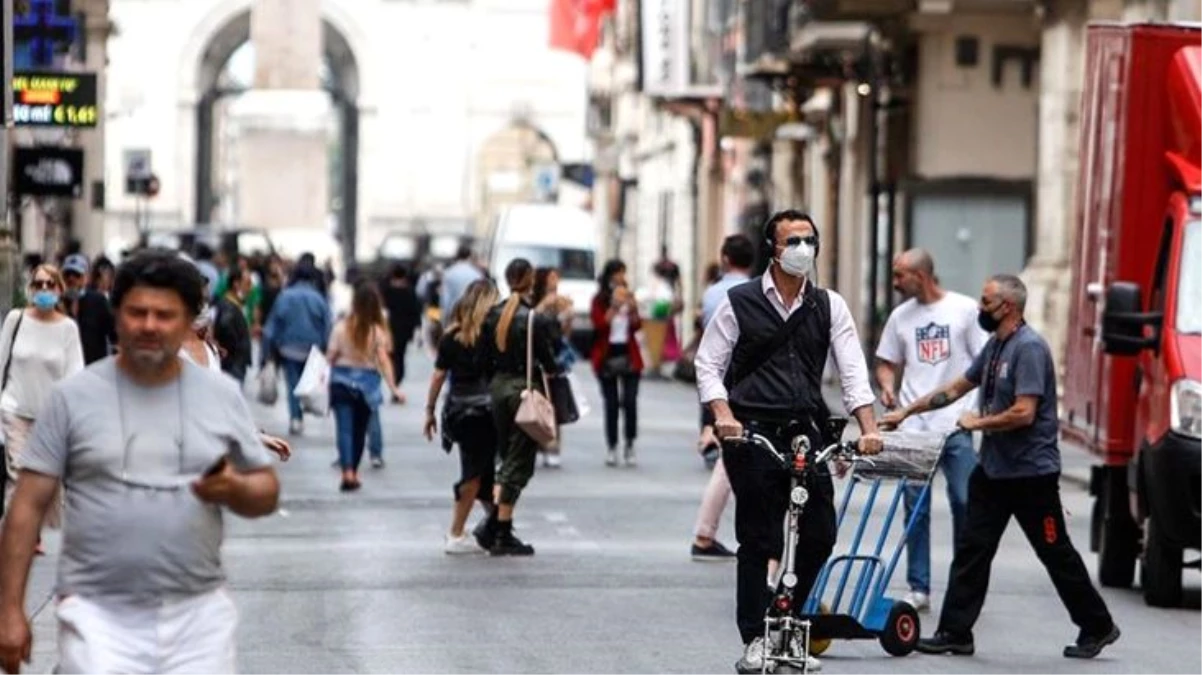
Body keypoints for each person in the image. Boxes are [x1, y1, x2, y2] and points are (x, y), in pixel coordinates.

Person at [0, 249, 280, 674]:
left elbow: (265, 488)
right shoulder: (74, 399)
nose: (149, 325)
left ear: (189, 321)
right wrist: (10, 611)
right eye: (137, 313)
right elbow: (26, 506)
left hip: (196, 617)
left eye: (164, 315)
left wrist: (237, 490)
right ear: (118, 317)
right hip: (97, 615)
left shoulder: (220, 395)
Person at [882, 274, 1120, 659]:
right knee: (973, 550)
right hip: (993, 472)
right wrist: (905, 411)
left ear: (1008, 307)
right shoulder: (995, 346)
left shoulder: (1029, 349)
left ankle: (1098, 626)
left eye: (986, 301)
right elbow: (956, 388)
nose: (979, 308)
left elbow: (1025, 413)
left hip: (1031, 476)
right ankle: (955, 632)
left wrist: (978, 423)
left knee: (1055, 551)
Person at [694, 209, 884, 674]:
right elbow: (708, 365)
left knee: (820, 531)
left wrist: (869, 426)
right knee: (758, 538)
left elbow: (852, 369)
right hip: (752, 429)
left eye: (810, 240)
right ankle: (756, 638)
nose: (803, 248)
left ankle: (787, 621)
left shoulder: (828, 305)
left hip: (804, 426)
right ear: (774, 250)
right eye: (793, 240)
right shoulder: (739, 302)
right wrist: (723, 416)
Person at [873, 249, 987, 611]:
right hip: (914, 428)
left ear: (920, 276)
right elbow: (886, 362)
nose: (894, 283)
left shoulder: (965, 310)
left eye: (899, 276)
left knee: (965, 502)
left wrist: (978, 413)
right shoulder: (900, 317)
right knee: (915, 508)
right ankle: (918, 586)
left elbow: (981, 364)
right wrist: (887, 386)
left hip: (955, 426)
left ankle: (963, 585)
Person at [475, 259, 561, 556]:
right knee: (518, 459)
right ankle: (500, 528)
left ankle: (496, 525)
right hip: (524, 392)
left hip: (498, 390)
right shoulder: (532, 318)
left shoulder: (492, 315)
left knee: (506, 455)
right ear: (529, 280)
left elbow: (481, 360)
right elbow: (550, 361)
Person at [690, 234, 755, 561]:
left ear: (725, 259)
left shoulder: (713, 293)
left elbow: (706, 341)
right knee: (734, 463)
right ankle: (707, 534)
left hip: (718, 381)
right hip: (748, 385)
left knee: (732, 462)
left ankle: (706, 533)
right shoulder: (758, 294)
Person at [423, 280, 500, 554]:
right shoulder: (493, 336)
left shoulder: (450, 336)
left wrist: (430, 411)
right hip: (486, 411)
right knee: (475, 473)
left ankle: (498, 526)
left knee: (484, 470)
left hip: (459, 411)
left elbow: (438, 376)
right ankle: (456, 532)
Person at [327, 282, 404, 491]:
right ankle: (354, 471)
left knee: (344, 430)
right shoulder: (377, 332)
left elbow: (331, 357)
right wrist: (394, 388)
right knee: (359, 431)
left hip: (341, 382)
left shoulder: (341, 328)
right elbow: (384, 360)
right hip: (367, 386)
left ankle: (347, 471)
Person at [262, 261, 332, 435]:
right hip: (312, 349)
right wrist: (326, 348)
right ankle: (305, 410)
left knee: (292, 384)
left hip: (288, 348)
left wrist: (267, 352)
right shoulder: (318, 298)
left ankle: (295, 418)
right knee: (308, 382)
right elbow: (328, 325)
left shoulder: (285, 296)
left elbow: (272, 326)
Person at [590, 260, 643, 467]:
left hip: (629, 354)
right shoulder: (599, 300)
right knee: (611, 404)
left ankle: (629, 442)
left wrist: (632, 309)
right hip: (607, 354)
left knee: (630, 402)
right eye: (618, 273)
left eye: (623, 273)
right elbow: (599, 325)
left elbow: (638, 326)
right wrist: (613, 306)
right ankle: (612, 445)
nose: (621, 277)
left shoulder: (629, 297)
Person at [533, 266, 575, 469]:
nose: (555, 282)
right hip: (535, 358)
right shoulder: (535, 302)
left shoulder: (559, 302)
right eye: (551, 278)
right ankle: (538, 444)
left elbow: (564, 335)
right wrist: (543, 305)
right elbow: (528, 319)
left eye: (557, 278)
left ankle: (553, 446)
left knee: (555, 405)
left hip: (555, 357)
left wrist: (568, 318)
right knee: (536, 404)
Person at [61, 254, 116, 365]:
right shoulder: (58, 302)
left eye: (77, 275)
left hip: (93, 366)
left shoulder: (98, 301)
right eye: (67, 275)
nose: (71, 279)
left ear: (86, 277)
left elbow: (113, 334)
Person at [212, 265, 254, 383]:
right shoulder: (228, 307)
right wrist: (238, 350)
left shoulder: (237, 305)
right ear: (236, 284)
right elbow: (226, 331)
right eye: (247, 283)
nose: (250, 288)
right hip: (232, 365)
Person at [440, 245, 484, 326]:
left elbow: (445, 299)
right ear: (469, 256)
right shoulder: (477, 274)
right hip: (471, 315)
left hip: (453, 315)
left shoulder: (449, 273)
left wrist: (443, 319)